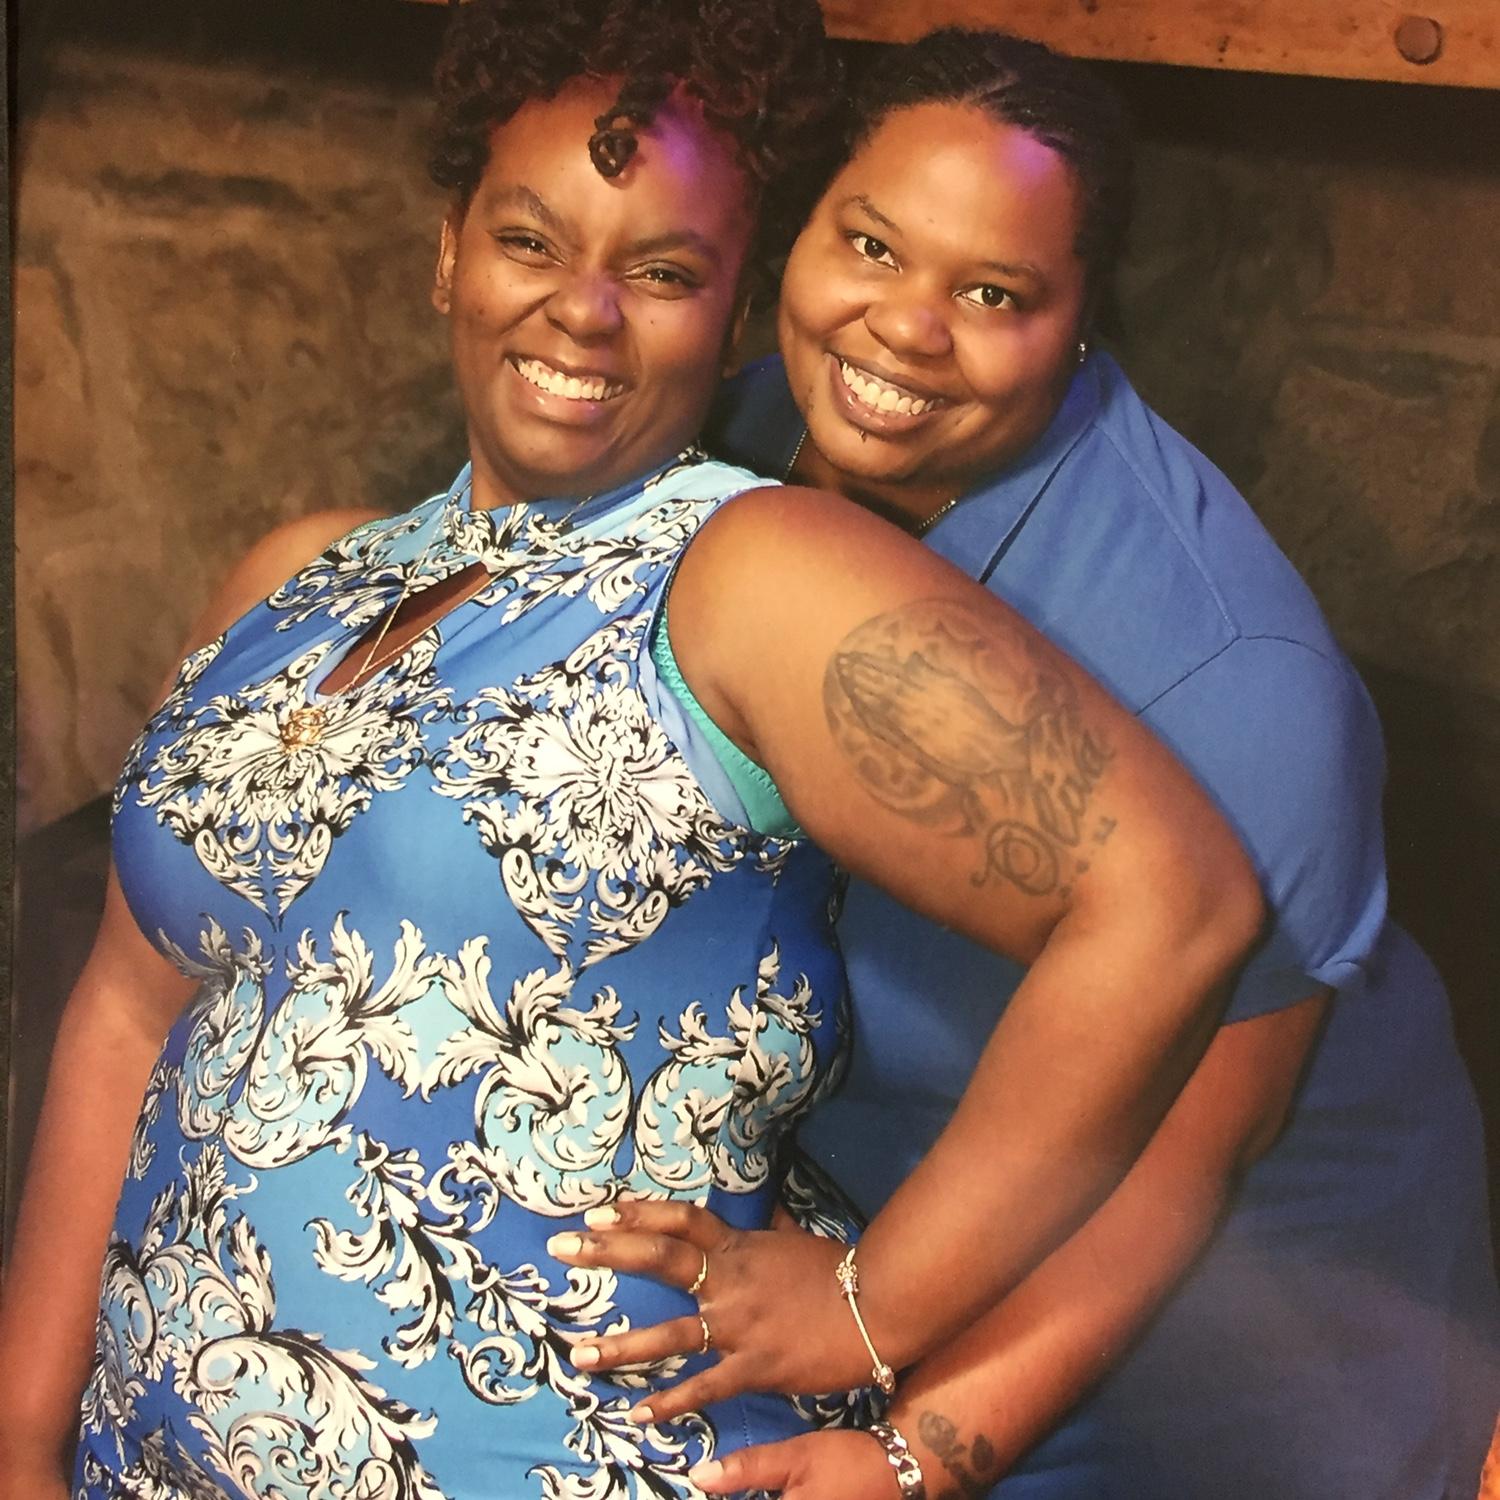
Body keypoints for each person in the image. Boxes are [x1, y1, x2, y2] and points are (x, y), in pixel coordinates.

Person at [0, 8, 1264, 1500]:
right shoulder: (295, 576)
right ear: (450, 255)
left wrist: (879, 1307)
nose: (584, 311)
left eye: (662, 272)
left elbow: (1174, 901)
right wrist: (20, 1432)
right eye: (530, 243)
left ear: (736, 315)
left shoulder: (757, 571)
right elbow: (127, 1008)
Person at [568, 28, 1500, 1500]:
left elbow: (1188, 1164)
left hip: (1214, 1336)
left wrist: (912, 1447)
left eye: (992, 293)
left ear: (1080, 323)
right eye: (871, 244)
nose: (903, 326)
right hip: (880, 1215)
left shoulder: (1237, 677)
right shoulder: (728, 443)